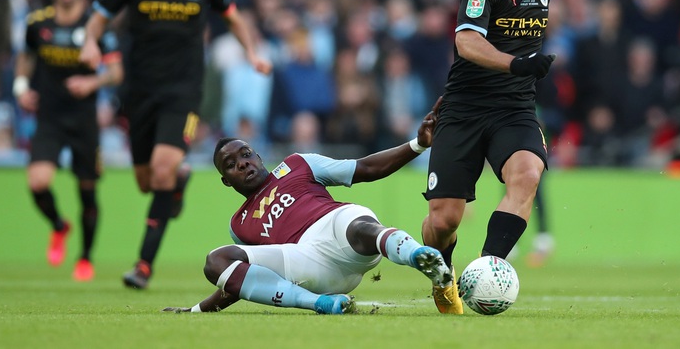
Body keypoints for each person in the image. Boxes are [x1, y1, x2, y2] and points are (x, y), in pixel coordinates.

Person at [79, 0, 272, 290]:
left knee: (163, 171)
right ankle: (177, 185)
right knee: (149, 183)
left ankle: (143, 266)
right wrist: (88, 42)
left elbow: (232, 15)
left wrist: (252, 52)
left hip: (182, 92)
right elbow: (100, 13)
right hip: (137, 93)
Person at [162, 98, 462, 315]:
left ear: (258, 156)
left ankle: (419, 256)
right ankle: (319, 304)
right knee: (216, 260)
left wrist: (418, 145)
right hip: (308, 264)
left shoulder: (297, 164)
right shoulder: (239, 224)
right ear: (226, 180)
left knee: (358, 225)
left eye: (246, 154)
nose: (243, 163)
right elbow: (242, 281)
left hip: (338, 230)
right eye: (231, 165)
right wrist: (197, 310)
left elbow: (366, 168)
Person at [420, 0, 556, 314]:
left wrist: (523, 71)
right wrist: (517, 64)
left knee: (528, 173)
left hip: (513, 108)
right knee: (443, 221)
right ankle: (442, 275)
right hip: (464, 107)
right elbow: (466, 42)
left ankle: (486, 269)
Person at [13, 0, 124, 281]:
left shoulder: (96, 26)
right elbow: (26, 57)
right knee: (38, 182)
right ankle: (60, 226)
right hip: (48, 117)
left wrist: (91, 84)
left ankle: (86, 257)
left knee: (87, 191)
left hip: (83, 120)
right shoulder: (37, 23)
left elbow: (116, 73)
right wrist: (21, 87)